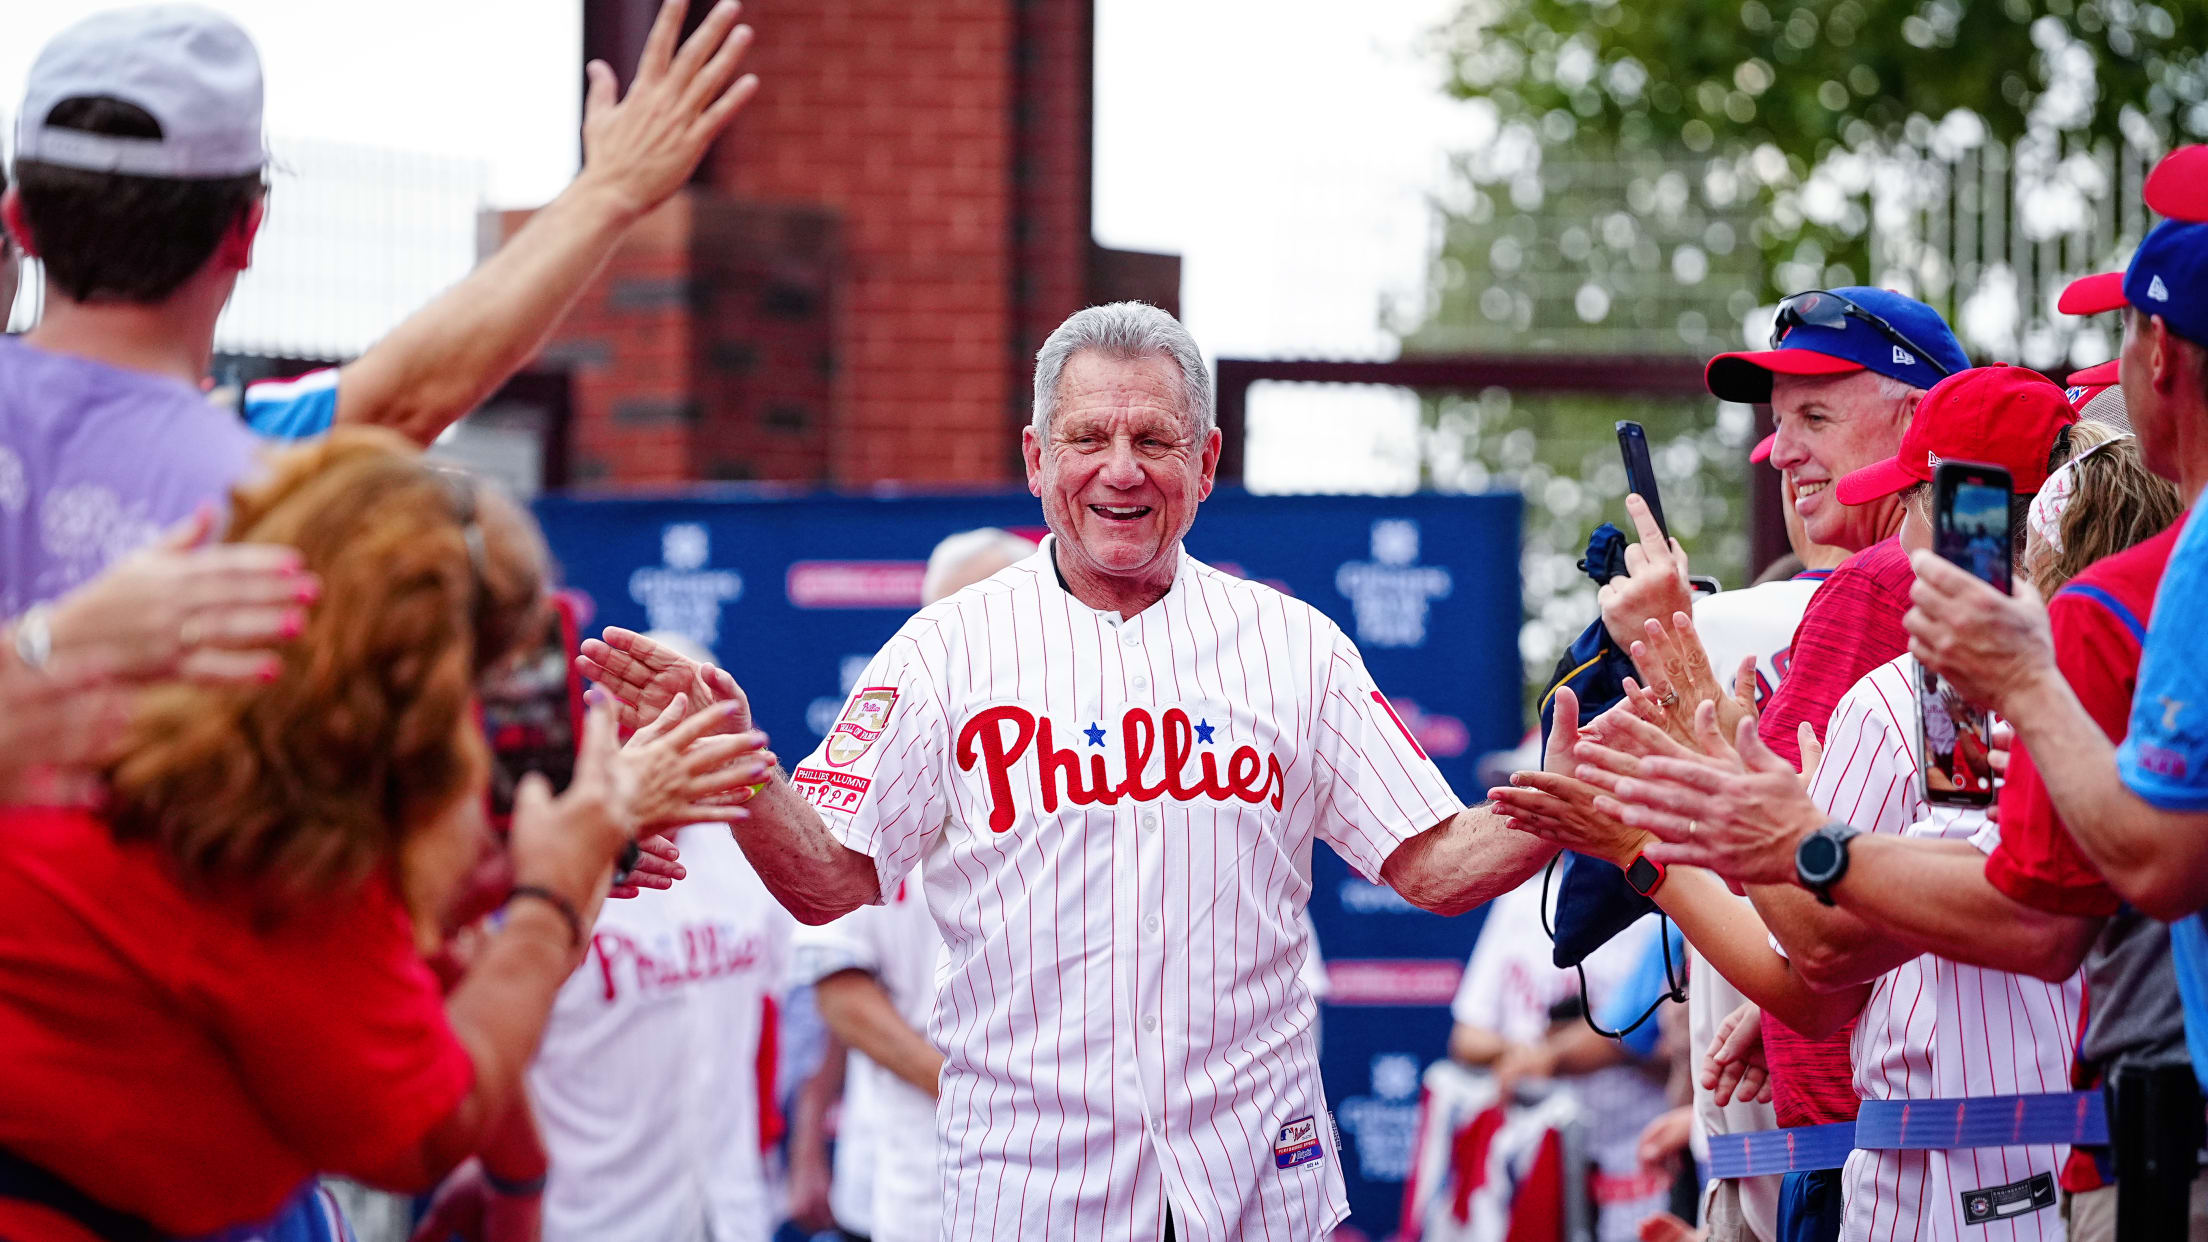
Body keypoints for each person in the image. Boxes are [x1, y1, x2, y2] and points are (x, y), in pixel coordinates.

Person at [579, 301, 1588, 1239]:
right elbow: (830, 881)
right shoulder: (943, 652)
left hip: (1255, 1195)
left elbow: (1433, 866)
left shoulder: (1297, 647)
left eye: (1153, 440)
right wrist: (744, 768)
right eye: (1087, 438)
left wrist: (1575, 802)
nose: (1121, 470)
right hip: (1031, 1195)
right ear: (1034, 457)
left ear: (1206, 460)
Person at [0, 431, 762, 1239]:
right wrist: (551, 901)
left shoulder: (193, 770)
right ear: (431, 695)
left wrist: (518, 1178)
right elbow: (424, 1131)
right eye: (495, 686)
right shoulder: (276, 854)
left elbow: (402, 977)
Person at [1501, 365, 2089, 1242]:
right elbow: (1938, 910)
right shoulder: (2107, 653)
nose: (1788, 454)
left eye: (1817, 414)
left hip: (1936, 1176)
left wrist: (1655, 842)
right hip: (2057, 1160)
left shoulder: (1923, 675)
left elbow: (1819, 967)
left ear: (1953, 513)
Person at [0, 0, 760, 615]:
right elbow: (407, 395)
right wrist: (607, 194)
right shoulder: (266, 481)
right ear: (246, 230)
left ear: (18, 221)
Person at [1906, 215, 2208, 1235]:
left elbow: (2072, 906)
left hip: (2159, 1140)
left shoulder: (2127, 599)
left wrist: (1804, 854)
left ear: (2159, 359)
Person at [786, 529, 1029, 1242]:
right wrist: (975, 1098)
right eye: (957, 619)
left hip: (1078, 1182)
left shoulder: (1091, 763)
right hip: (918, 1184)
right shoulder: (872, 765)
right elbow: (839, 982)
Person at [520, 632, 794, 1242]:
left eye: (695, 711)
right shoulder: (555, 856)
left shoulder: (747, 854)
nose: (674, 733)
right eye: (652, 710)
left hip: (730, 1211)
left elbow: (767, 1027)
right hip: (591, 1219)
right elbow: (502, 1050)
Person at [1447, 879, 1670, 1242]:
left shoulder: (1664, 900)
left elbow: (1687, 1053)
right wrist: (1526, 1053)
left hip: (1639, 1162)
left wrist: (1592, 1043)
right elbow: (1465, 1037)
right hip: (1534, 1157)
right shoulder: (1522, 902)